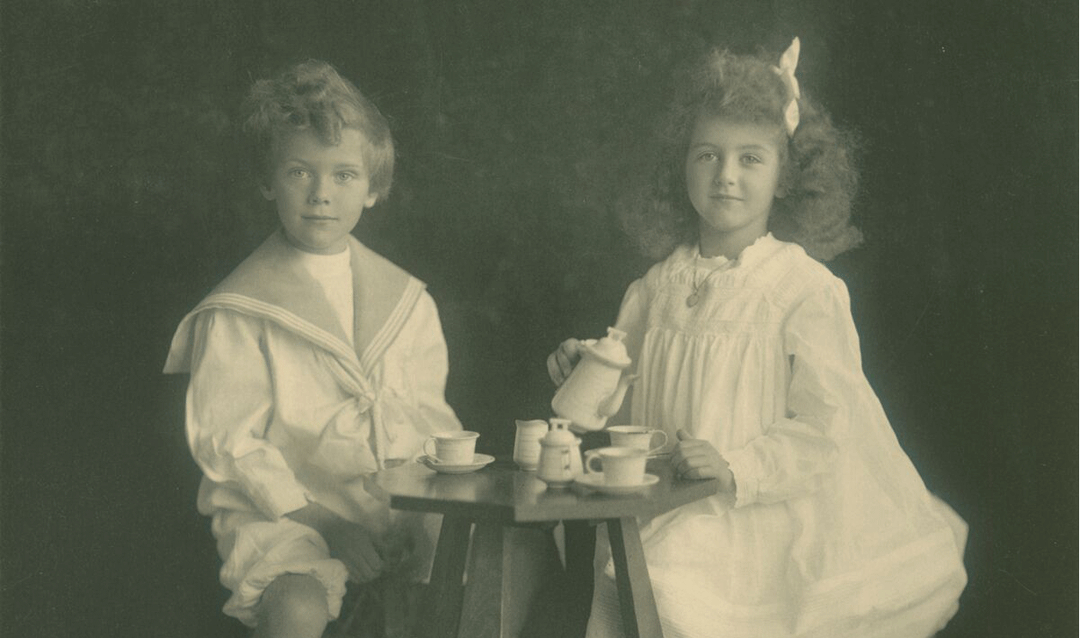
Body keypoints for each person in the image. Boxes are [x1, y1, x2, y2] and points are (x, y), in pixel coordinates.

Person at [547, 39, 967, 638]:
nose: (726, 176)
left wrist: (734, 467)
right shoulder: (654, 286)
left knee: (685, 605)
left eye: (751, 159)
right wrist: (583, 370)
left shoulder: (803, 289)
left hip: (748, 518)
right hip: (659, 511)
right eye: (707, 156)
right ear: (681, 166)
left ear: (785, 175)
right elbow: (611, 401)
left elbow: (829, 426)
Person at [164, 60, 461, 637]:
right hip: (285, 511)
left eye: (344, 175)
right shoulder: (239, 308)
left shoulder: (408, 301)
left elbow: (429, 423)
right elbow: (233, 445)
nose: (322, 194)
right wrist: (331, 525)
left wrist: (413, 511)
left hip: (393, 504)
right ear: (267, 181)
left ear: (374, 188)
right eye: (301, 172)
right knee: (297, 604)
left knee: (510, 559)